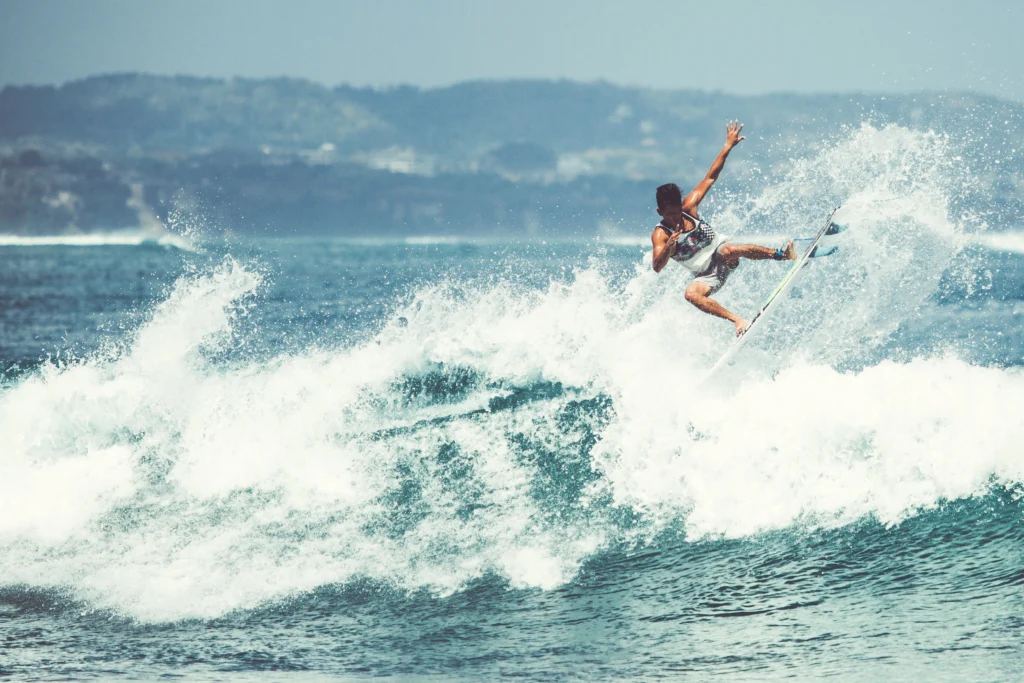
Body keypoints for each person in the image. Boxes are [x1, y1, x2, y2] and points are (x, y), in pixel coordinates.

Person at [651, 121, 796, 336]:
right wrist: (669, 248)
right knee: (690, 294)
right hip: (706, 274)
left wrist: (727, 146)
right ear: (660, 213)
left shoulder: (689, 207)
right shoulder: (661, 235)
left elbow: (710, 177)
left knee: (728, 249)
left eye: (676, 211)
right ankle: (738, 321)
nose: (675, 217)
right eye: (669, 214)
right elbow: (656, 266)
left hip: (723, 254)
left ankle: (782, 255)